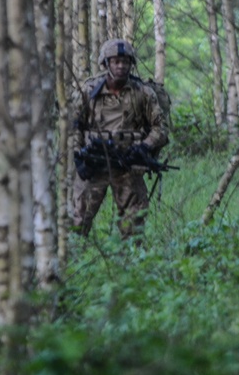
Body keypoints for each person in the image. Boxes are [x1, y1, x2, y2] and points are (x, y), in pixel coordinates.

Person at [69, 39, 169, 239]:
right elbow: (73, 126)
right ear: (106, 63)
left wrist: (144, 147)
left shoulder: (143, 93)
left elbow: (161, 128)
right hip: (94, 164)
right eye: (116, 61)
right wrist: (78, 155)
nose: (121, 66)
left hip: (127, 165)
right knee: (77, 222)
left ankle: (132, 264)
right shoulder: (89, 91)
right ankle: (73, 265)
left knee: (133, 225)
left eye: (125, 61)